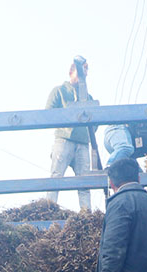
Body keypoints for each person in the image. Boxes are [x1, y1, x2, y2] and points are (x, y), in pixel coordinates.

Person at [46, 59, 96, 211]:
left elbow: (96, 120)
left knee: (84, 183)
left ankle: (86, 214)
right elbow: (47, 113)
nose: (83, 77)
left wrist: (89, 133)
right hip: (64, 140)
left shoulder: (88, 98)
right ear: (71, 73)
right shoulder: (59, 90)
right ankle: (49, 210)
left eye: (85, 74)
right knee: (56, 176)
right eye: (81, 73)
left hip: (82, 143)